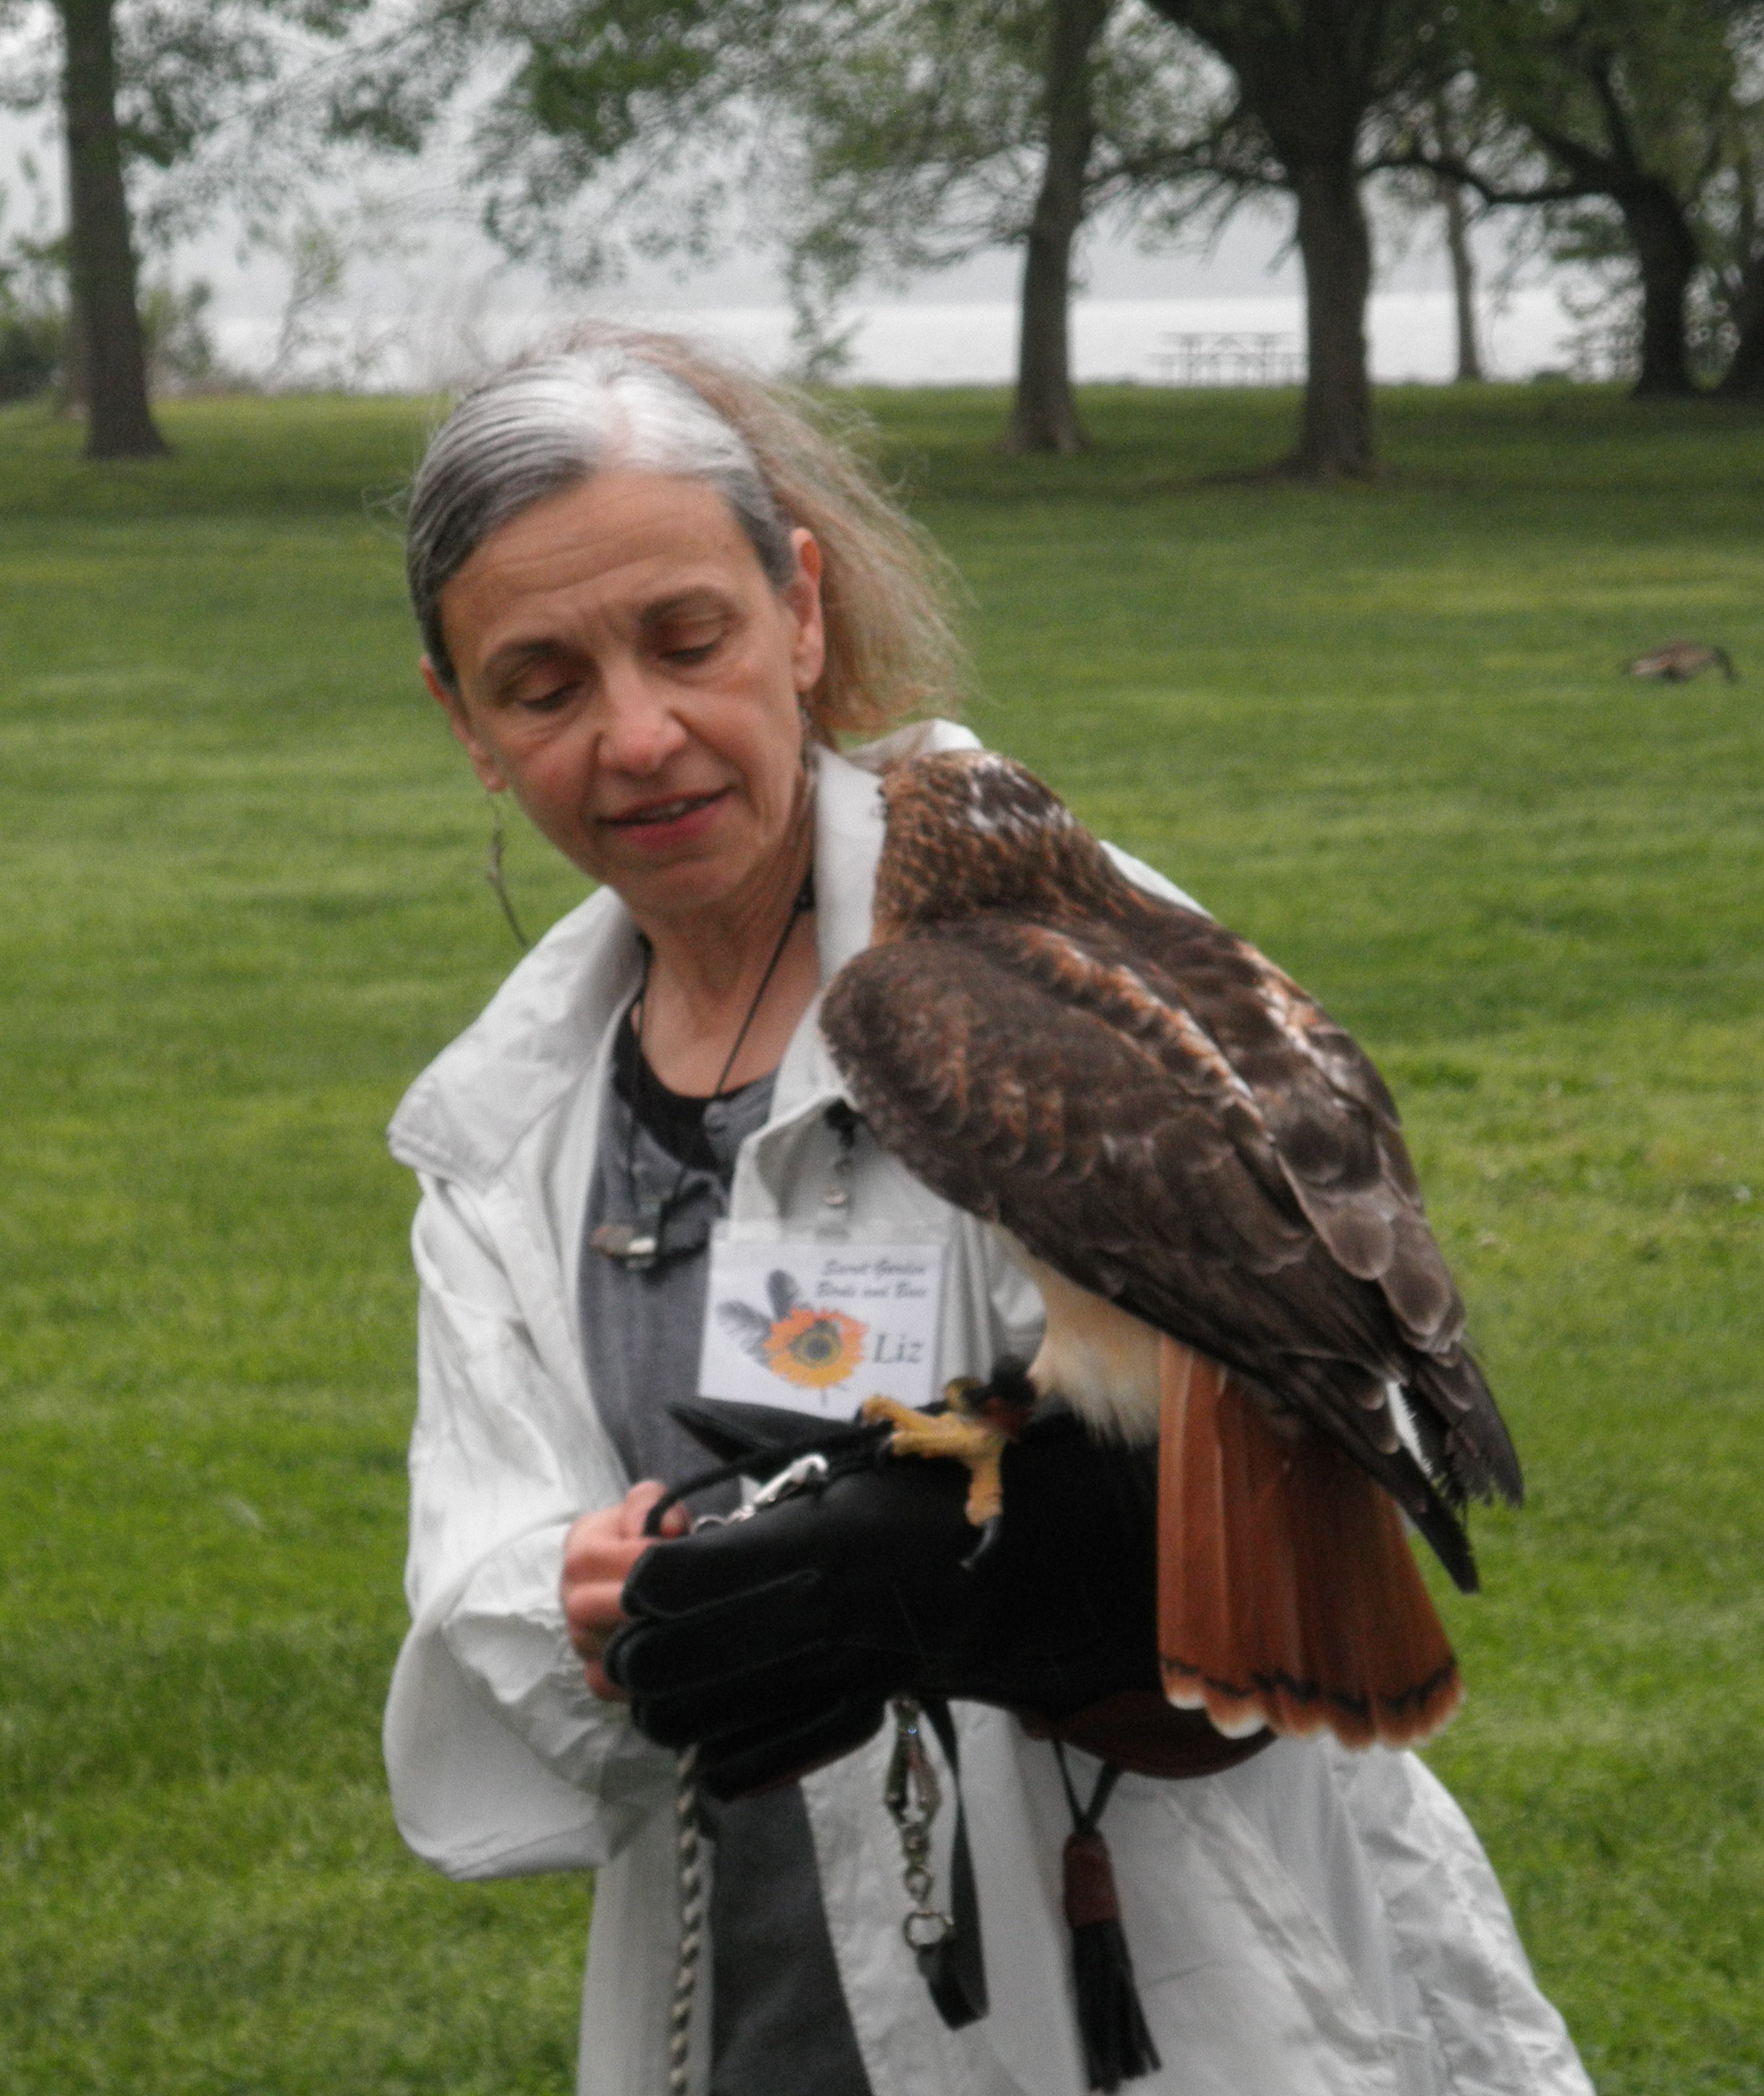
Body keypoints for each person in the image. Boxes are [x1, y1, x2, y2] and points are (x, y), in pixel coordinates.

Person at [384, 325, 1593, 2096]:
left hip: (1164, 1984)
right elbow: (478, 1596)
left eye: (688, 638)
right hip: (757, 1999)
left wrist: (1009, 1561)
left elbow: (1280, 1429)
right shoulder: (508, 1123)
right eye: (542, 682)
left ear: (800, 610)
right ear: (467, 725)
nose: (637, 735)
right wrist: (586, 1603)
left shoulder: (1018, 944)